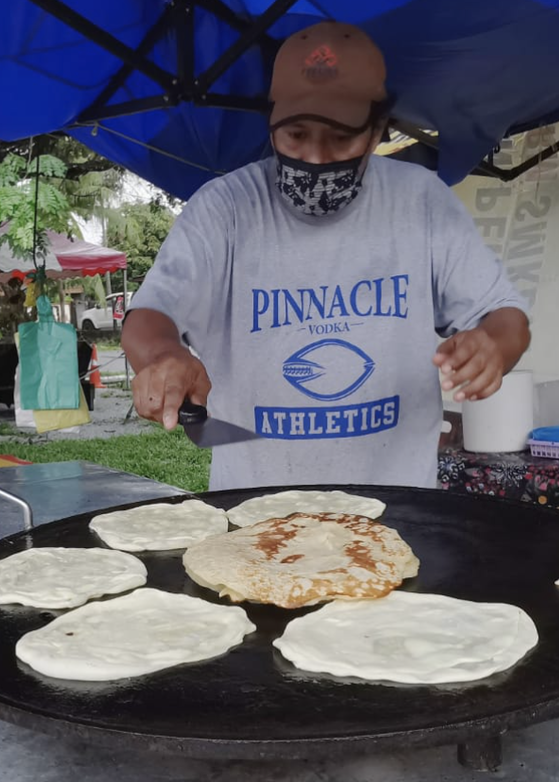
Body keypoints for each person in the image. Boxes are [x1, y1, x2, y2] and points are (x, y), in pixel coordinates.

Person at [123, 22, 531, 491]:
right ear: (270, 120)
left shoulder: (422, 203)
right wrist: (163, 355)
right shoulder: (225, 209)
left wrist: (493, 348)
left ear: (379, 129)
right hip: (256, 518)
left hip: (397, 512)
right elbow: (151, 313)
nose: (316, 158)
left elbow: (506, 318)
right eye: (295, 134)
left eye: (341, 138)